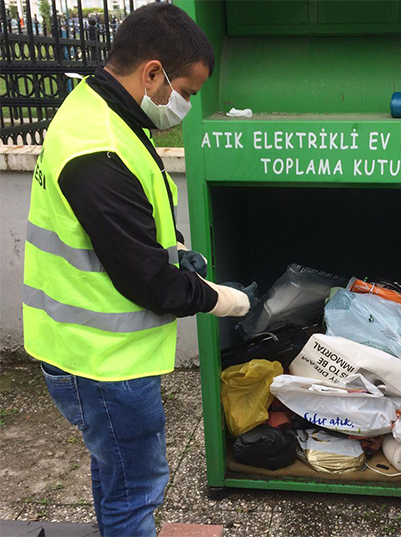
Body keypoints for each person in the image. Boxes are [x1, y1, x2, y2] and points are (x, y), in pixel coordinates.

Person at [22, 4, 255, 536]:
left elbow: (126, 229)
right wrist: (222, 299)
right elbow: (147, 282)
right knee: (136, 489)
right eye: (188, 92)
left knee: (117, 471)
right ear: (153, 73)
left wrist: (174, 253)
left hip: (86, 350)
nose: (187, 107)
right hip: (102, 363)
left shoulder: (96, 105)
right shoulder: (96, 151)